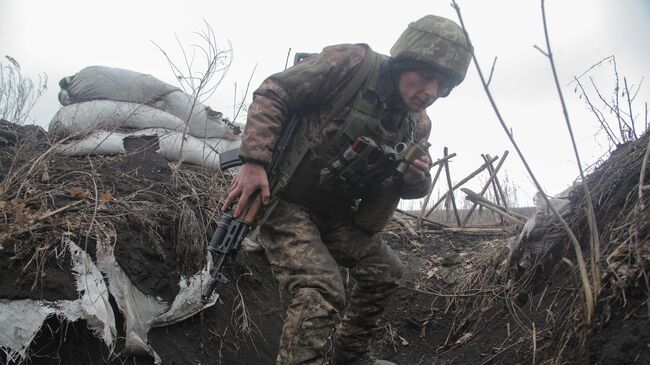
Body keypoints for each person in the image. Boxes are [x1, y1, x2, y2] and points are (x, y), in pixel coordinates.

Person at [222, 15, 472, 365]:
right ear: (403, 63)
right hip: (285, 200)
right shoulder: (354, 64)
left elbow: (409, 188)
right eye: (425, 76)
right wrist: (254, 160)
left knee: (385, 271)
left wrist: (415, 177)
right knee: (321, 290)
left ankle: (350, 357)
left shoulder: (418, 123)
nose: (431, 92)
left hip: (336, 214)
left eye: (443, 85)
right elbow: (274, 91)